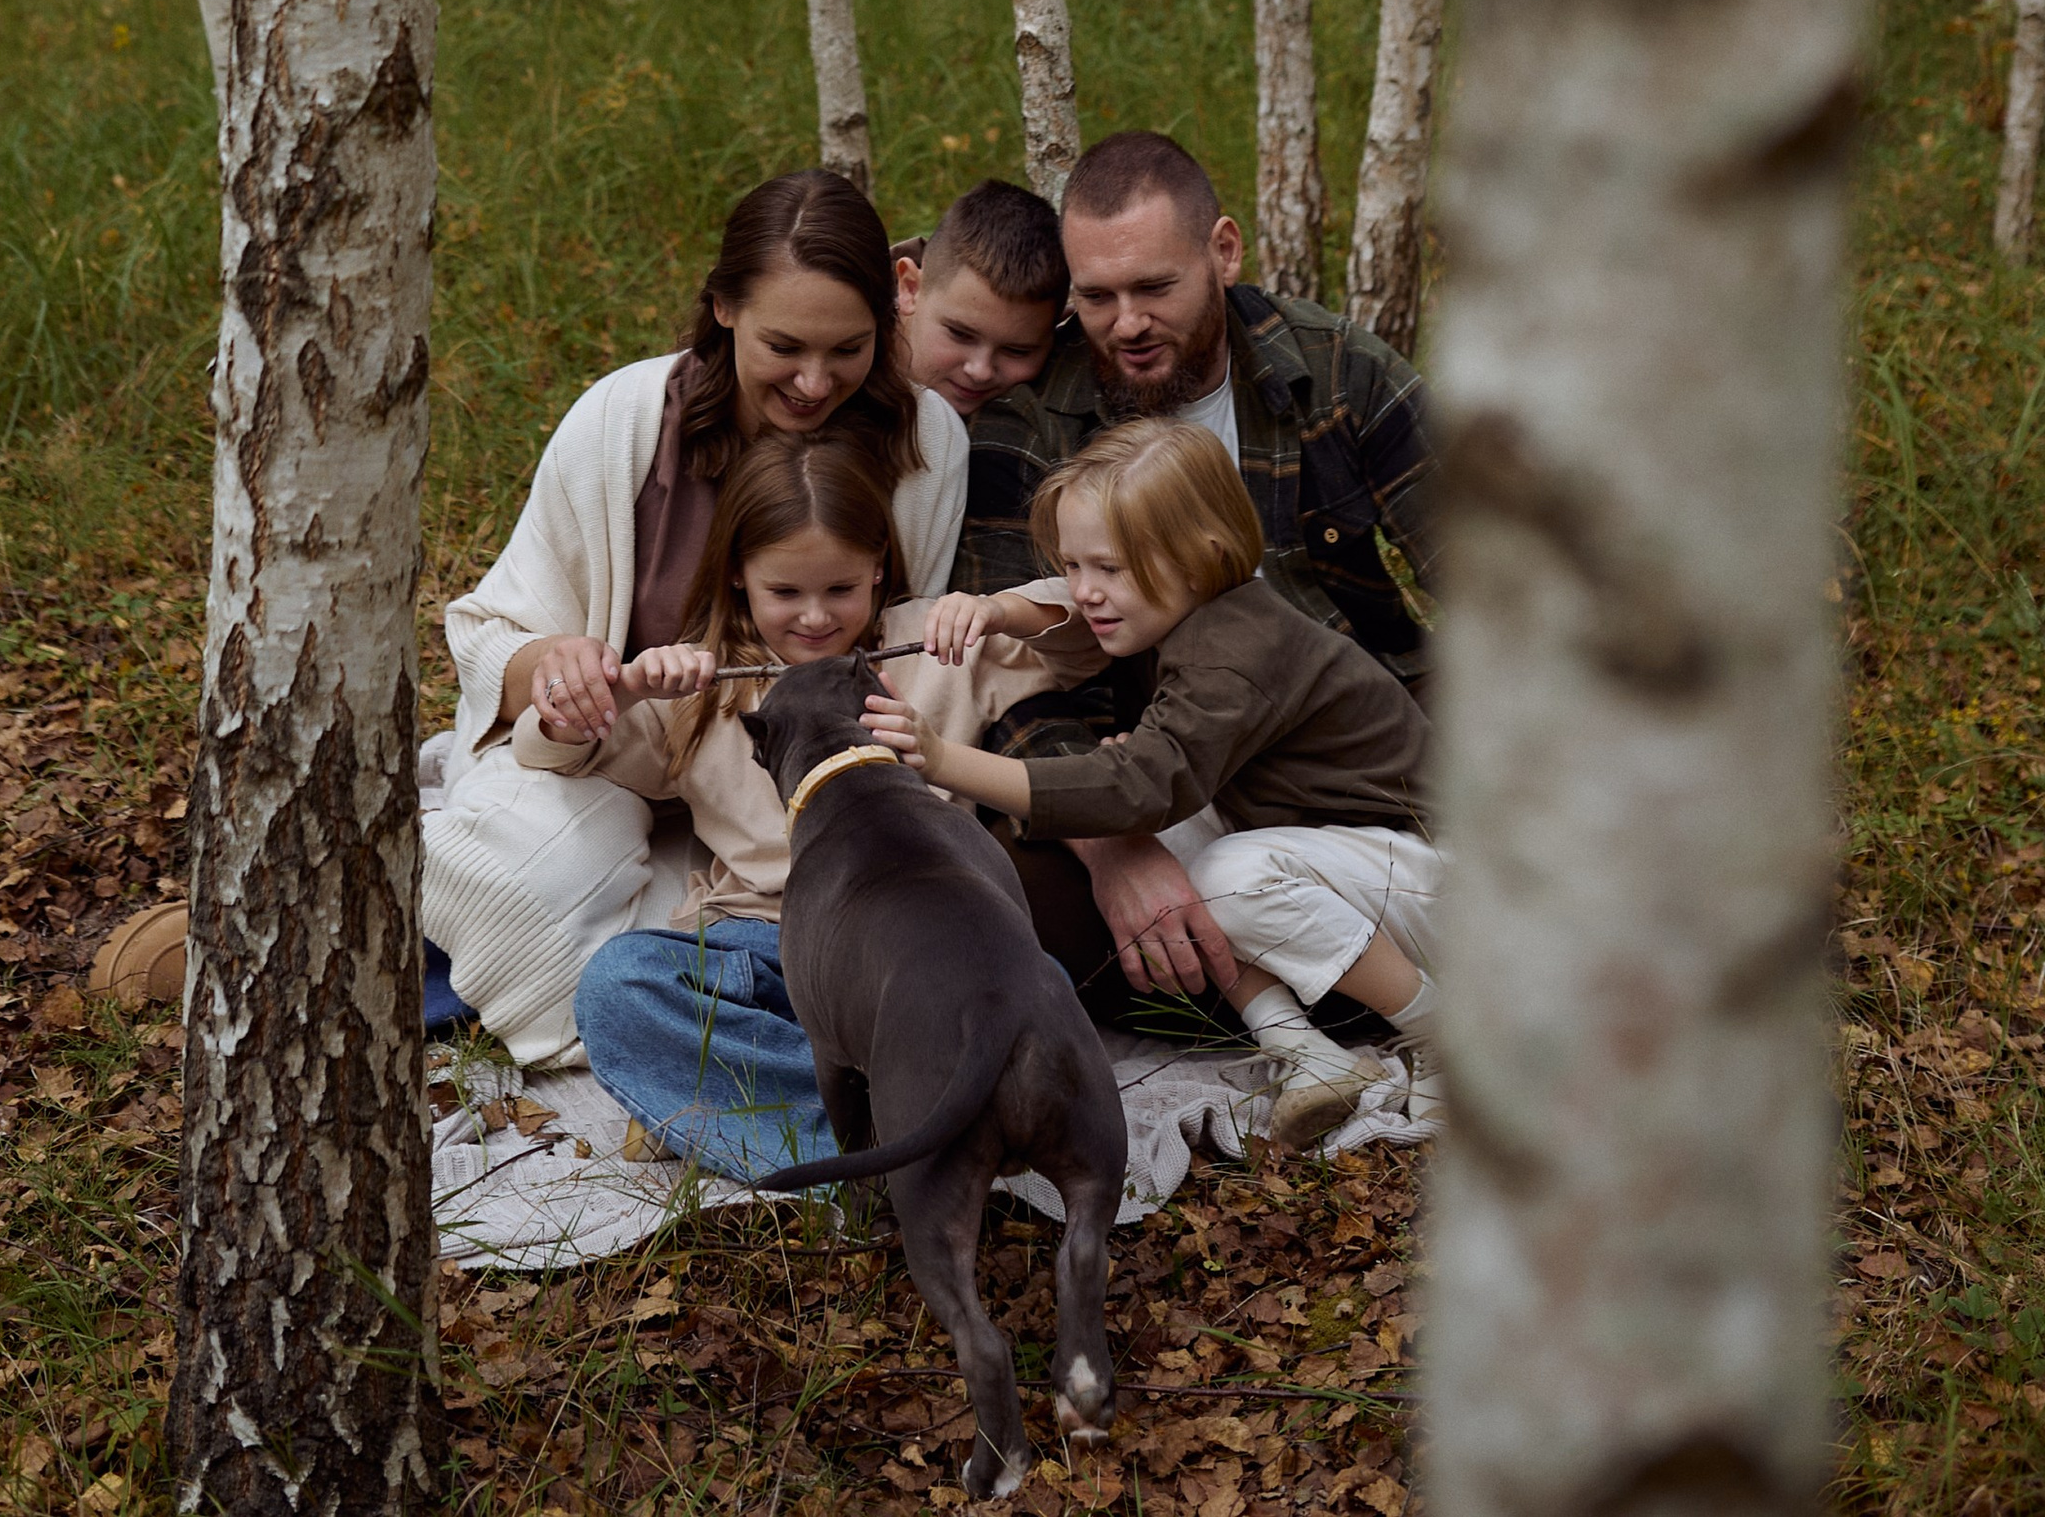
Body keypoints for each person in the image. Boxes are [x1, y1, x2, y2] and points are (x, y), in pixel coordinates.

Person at [422, 169, 968, 1068]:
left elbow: (903, 647)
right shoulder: (622, 425)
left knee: (812, 925)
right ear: (722, 308)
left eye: (849, 349)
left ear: (893, 319)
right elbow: (493, 634)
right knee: (523, 884)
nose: (813, 379)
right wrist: (556, 668)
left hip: (776, 810)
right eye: (784, 345)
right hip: (608, 764)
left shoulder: (927, 443)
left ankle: (440, 962)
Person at [954, 127, 1435, 1026]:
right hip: (1163, 789)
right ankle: (1301, 1022)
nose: (1126, 323)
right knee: (985, 897)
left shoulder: (1338, 373)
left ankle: (1376, 979)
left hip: (1362, 797)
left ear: (1222, 250)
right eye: (1096, 297)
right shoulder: (1029, 424)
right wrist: (1114, 849)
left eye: (1154, 288)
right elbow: (1016, 680)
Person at [875, 420, 1439, 1150]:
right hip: (1348, 863)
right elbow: (1068, 608)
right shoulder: (1191, 609)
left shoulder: (1236, 655)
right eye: (1075, 564)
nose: (1088, 591)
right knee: (1166, 842)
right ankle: (1307, 1055)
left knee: (1227, 873)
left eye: (1110, 569)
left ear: (1201, 559)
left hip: (1428, 875)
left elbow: (1136, 787)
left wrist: (942, 759)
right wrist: (997, 609)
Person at [519, 430, 1064, 1177]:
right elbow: (549, 748)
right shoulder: (703, 689)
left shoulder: (932, 647)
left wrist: (998, 610)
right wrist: (625, 688)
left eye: (840, 589)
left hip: (905, 948)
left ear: (878, 567)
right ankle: (889, 1147)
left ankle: (903, 1126)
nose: (814, 617)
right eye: (785, 592)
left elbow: (1087, 627)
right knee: (618, 986)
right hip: (765, 949)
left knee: (1022, 986)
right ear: (740, 576)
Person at [892, 177, 1065, 420]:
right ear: (910, 288)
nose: (980, 372)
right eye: (960, 334)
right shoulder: (836, 371)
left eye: (1016, 351)